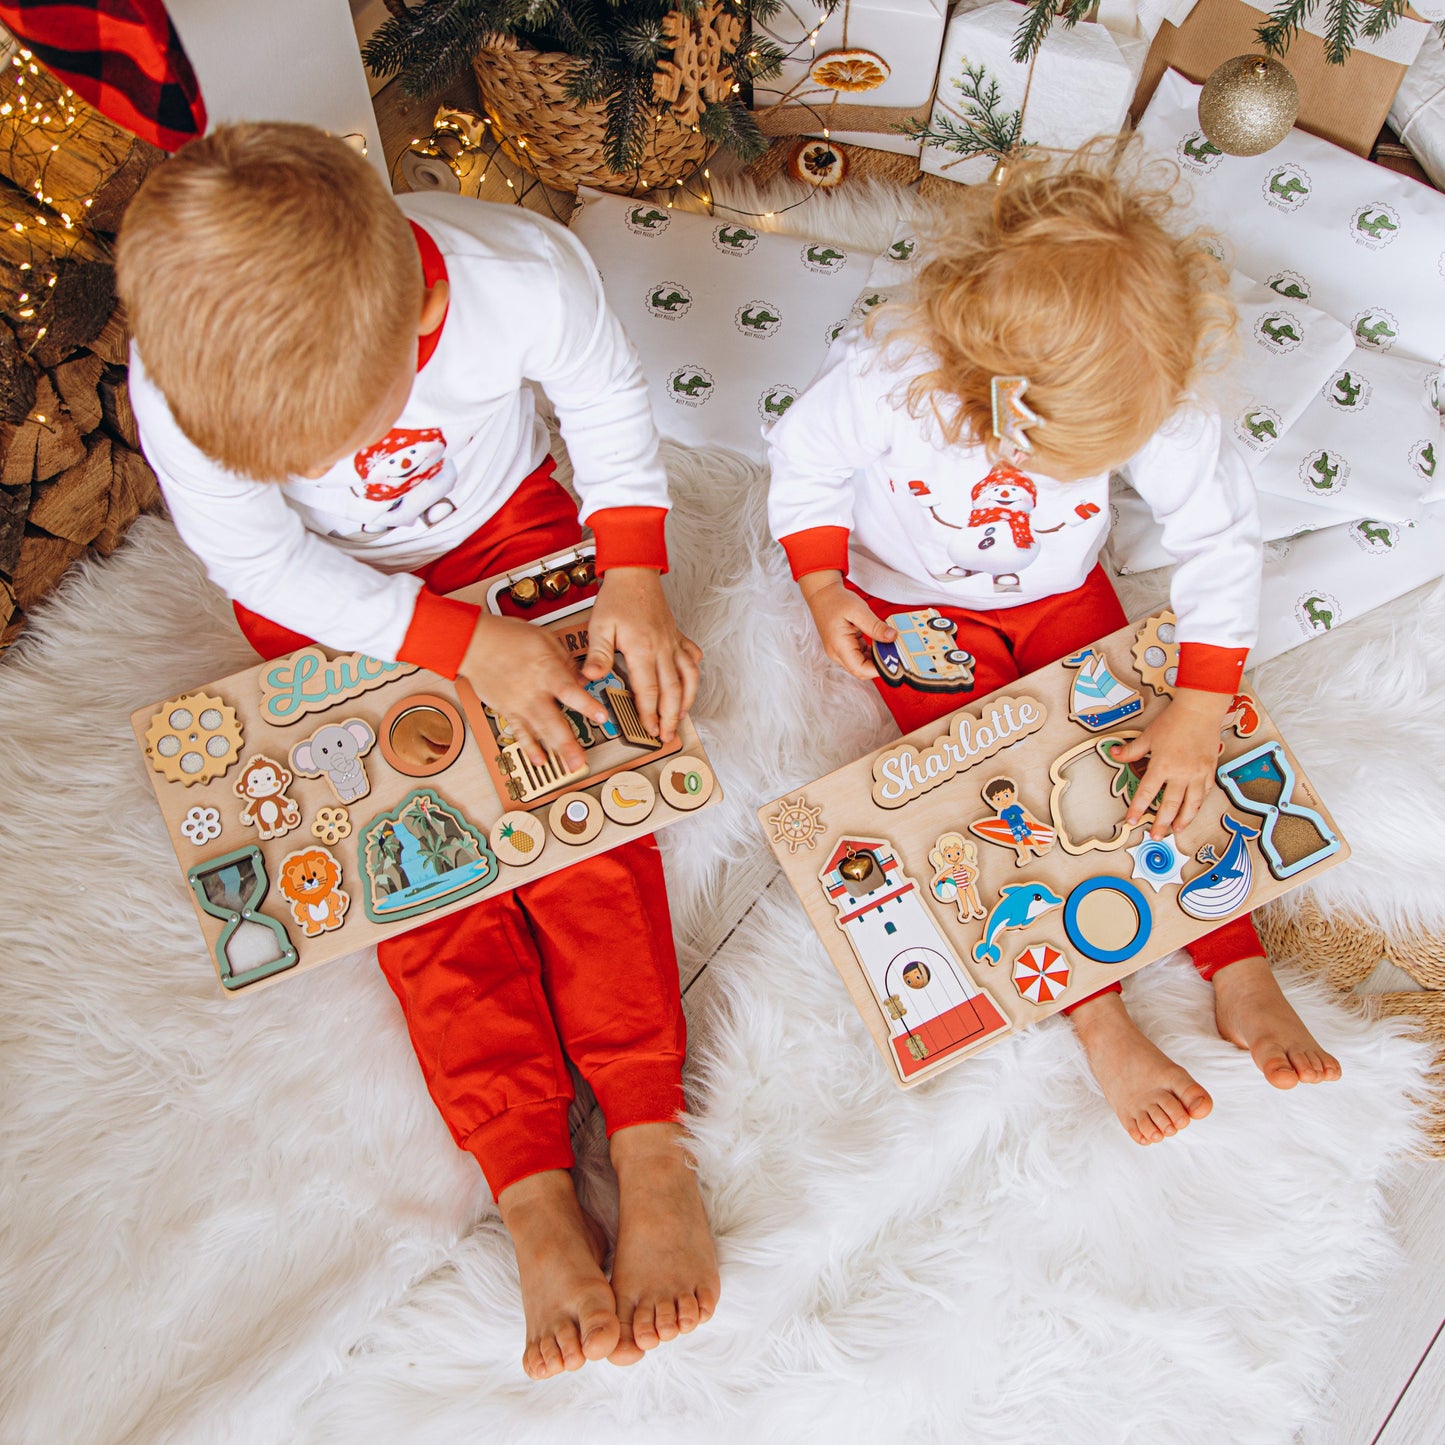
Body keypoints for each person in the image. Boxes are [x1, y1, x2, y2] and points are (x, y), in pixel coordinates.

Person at [116, 123, 718, 1376]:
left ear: (417, 310)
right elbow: (262, 558)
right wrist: (451, 644)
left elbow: (605, 403)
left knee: (581, 819)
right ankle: (529, 1182)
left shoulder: (518, 274)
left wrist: (636, 570)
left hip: (508, 529)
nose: (319, 466)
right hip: (324, 602)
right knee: (417, 871)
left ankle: (650, 1134)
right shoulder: (179, 387)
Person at [767, 142, 1342, 1146]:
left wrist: (1199, 708)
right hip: (907, 605)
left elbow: (1217, 537)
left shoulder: (1146, 388)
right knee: (979, 799)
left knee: (1144, 754)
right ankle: (1097, 1014)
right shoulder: (887, 373)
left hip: (1059, 589)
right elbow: (803, 465)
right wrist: (820, 582)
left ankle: (1232, 958)